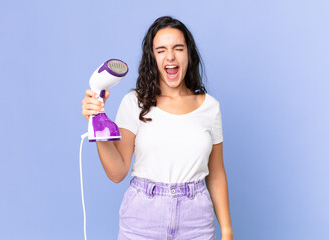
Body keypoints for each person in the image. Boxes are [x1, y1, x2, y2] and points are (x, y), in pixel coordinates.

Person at [82, 16, 233, 240]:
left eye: (178, 48)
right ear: (152, 58)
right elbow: (117, 172)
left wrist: (227, 231)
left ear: (188, 55)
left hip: (196, 222)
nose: (170, 56)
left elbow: (216, 173)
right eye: (161, 50)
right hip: (142, 219)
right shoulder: (134, 103)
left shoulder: (210, 107)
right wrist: (96, 122)